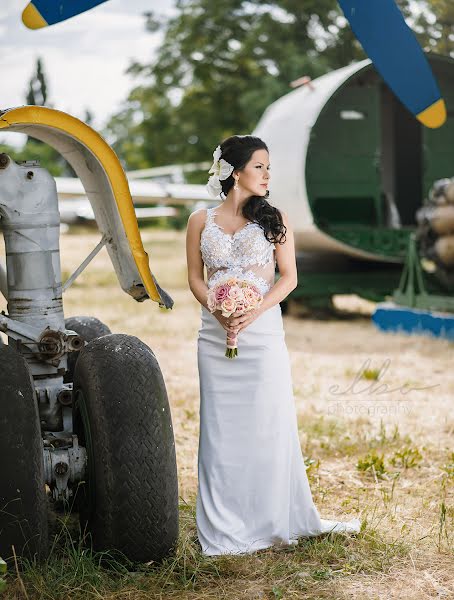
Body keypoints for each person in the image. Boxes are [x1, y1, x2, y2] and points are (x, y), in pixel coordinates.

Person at [185, 135, 361, 556]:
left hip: (262, 335)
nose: (267, 175)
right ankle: (222, 527)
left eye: (268, 168)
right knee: (220, 430)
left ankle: (267, 520)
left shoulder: (274, 218)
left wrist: (252, 311)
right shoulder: (199, 220)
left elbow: (289, 278)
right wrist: (217, 308)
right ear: (234, 171)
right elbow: (194, 276)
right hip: (214, 336)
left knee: (266, 424)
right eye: (259, 166)